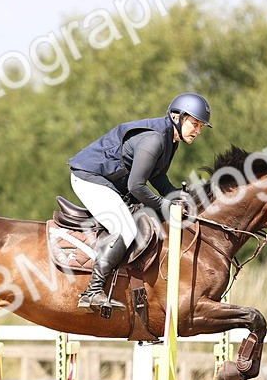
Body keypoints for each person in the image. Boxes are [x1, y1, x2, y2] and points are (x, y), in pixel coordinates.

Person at [66, 92, 211, 311]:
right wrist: (167, 206)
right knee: (124, 228)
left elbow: (156, 176)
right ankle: (92, 292)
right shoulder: (154, 140)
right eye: (194, 124)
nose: (198, 131)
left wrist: (175, 196)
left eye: (201, 126)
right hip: (88, 178)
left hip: (111, 182)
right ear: (176, 117)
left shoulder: (170, 140)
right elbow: (136, 186)